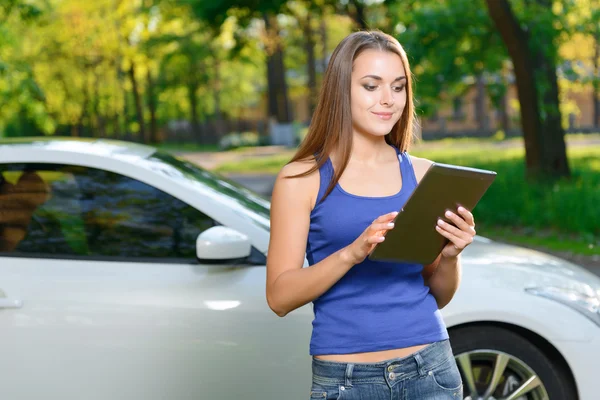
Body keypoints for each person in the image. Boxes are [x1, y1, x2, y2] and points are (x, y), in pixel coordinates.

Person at [266, 30, 475, 399]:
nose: (387, 100)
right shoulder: (301, 179)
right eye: (370, 85)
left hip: (431, 370)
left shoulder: (424, 175)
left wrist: (450, 256)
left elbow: (438, 296)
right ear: (340, 91)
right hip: (345, 381)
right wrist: (352, 252)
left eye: (398, 87)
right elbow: (279, 298)